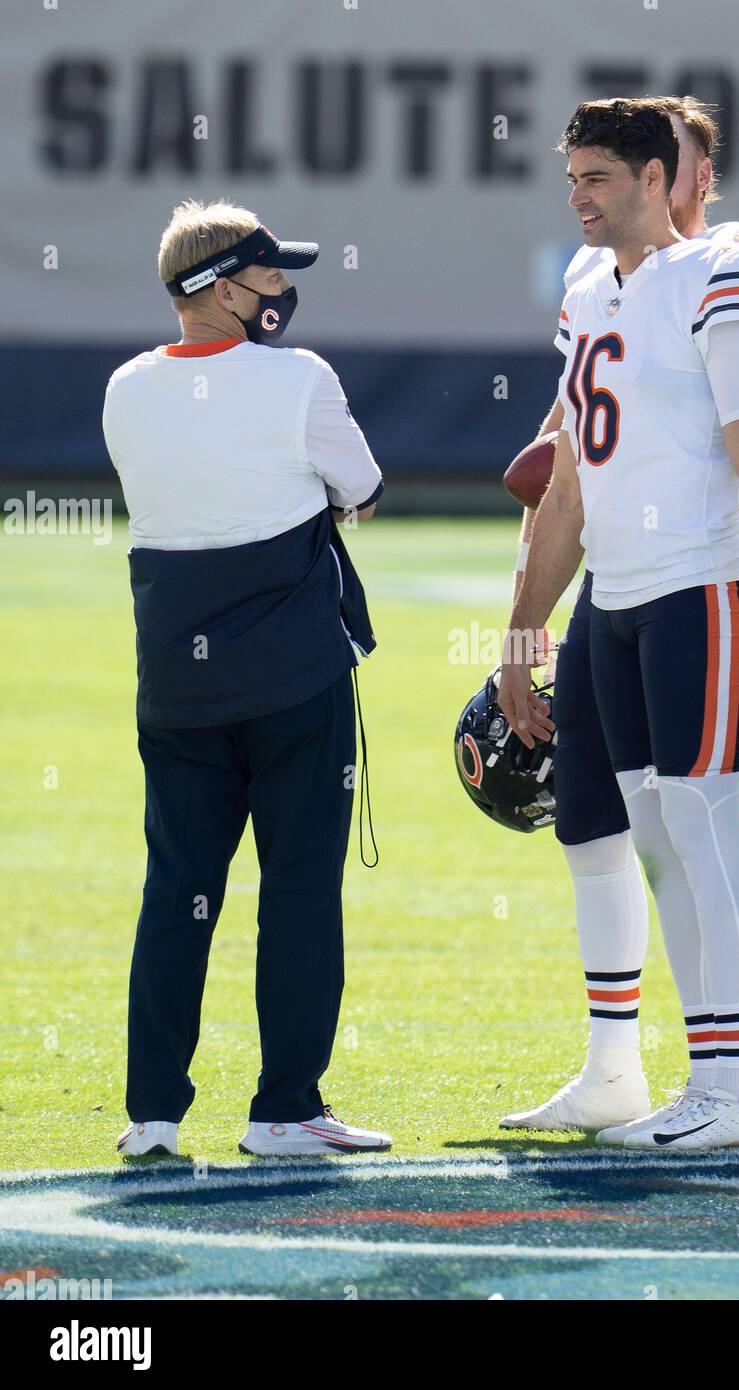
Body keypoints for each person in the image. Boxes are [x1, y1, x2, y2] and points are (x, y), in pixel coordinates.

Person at [498, 99, 739, 1152]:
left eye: (597, 176)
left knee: (706, 824)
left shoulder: (723, 274)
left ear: (659, 178)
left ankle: (735, 1087)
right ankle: (661, 1075)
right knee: (648, 835)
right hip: (616, 590)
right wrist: (524, 631)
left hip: (700, 583)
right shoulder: (583, 283)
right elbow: (565, 481)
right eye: (570, 178)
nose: (578, 196)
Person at [102, 198, 390, 1158]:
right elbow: (363, 489)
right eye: (269, 276)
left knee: (175, 889)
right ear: (223, 290)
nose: (284, 291)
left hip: (175, 684)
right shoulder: (298, 377)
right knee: (300, 889)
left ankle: (151, 1114)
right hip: (293, 681)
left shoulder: (123, 388)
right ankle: (285, 1110)